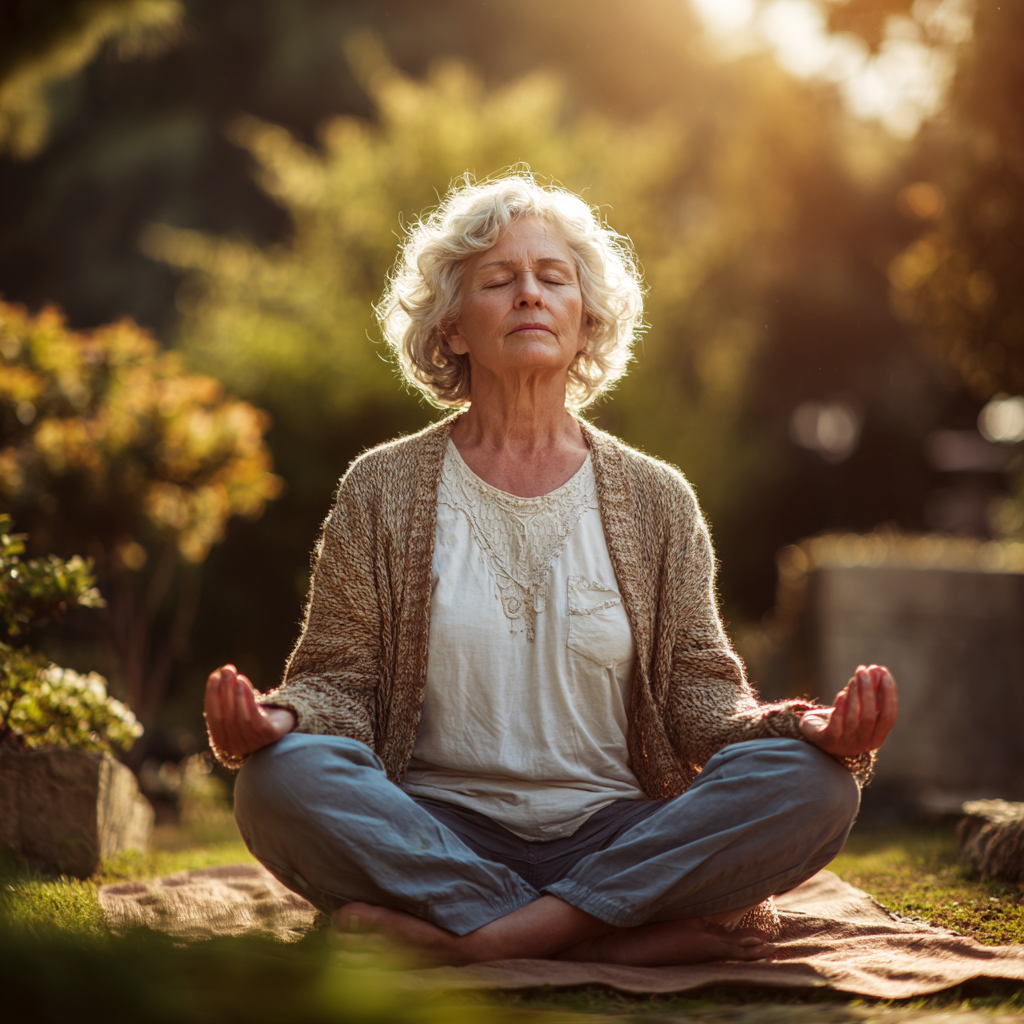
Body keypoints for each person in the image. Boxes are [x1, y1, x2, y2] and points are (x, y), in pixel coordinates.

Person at [204, 174, 898, 967]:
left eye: (552, 278)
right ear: (454, 328)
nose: (529, 294)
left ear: (584, 321)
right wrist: (279, 723)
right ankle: (610, 934)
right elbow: (341, 682)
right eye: (499, 281)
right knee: (276, 781)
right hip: (437, 832)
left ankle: (483, 941)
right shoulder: (381, 488)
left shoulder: (657, 498)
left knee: (815, 787)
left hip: (618, 832)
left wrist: (803, 729)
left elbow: (700, 697)